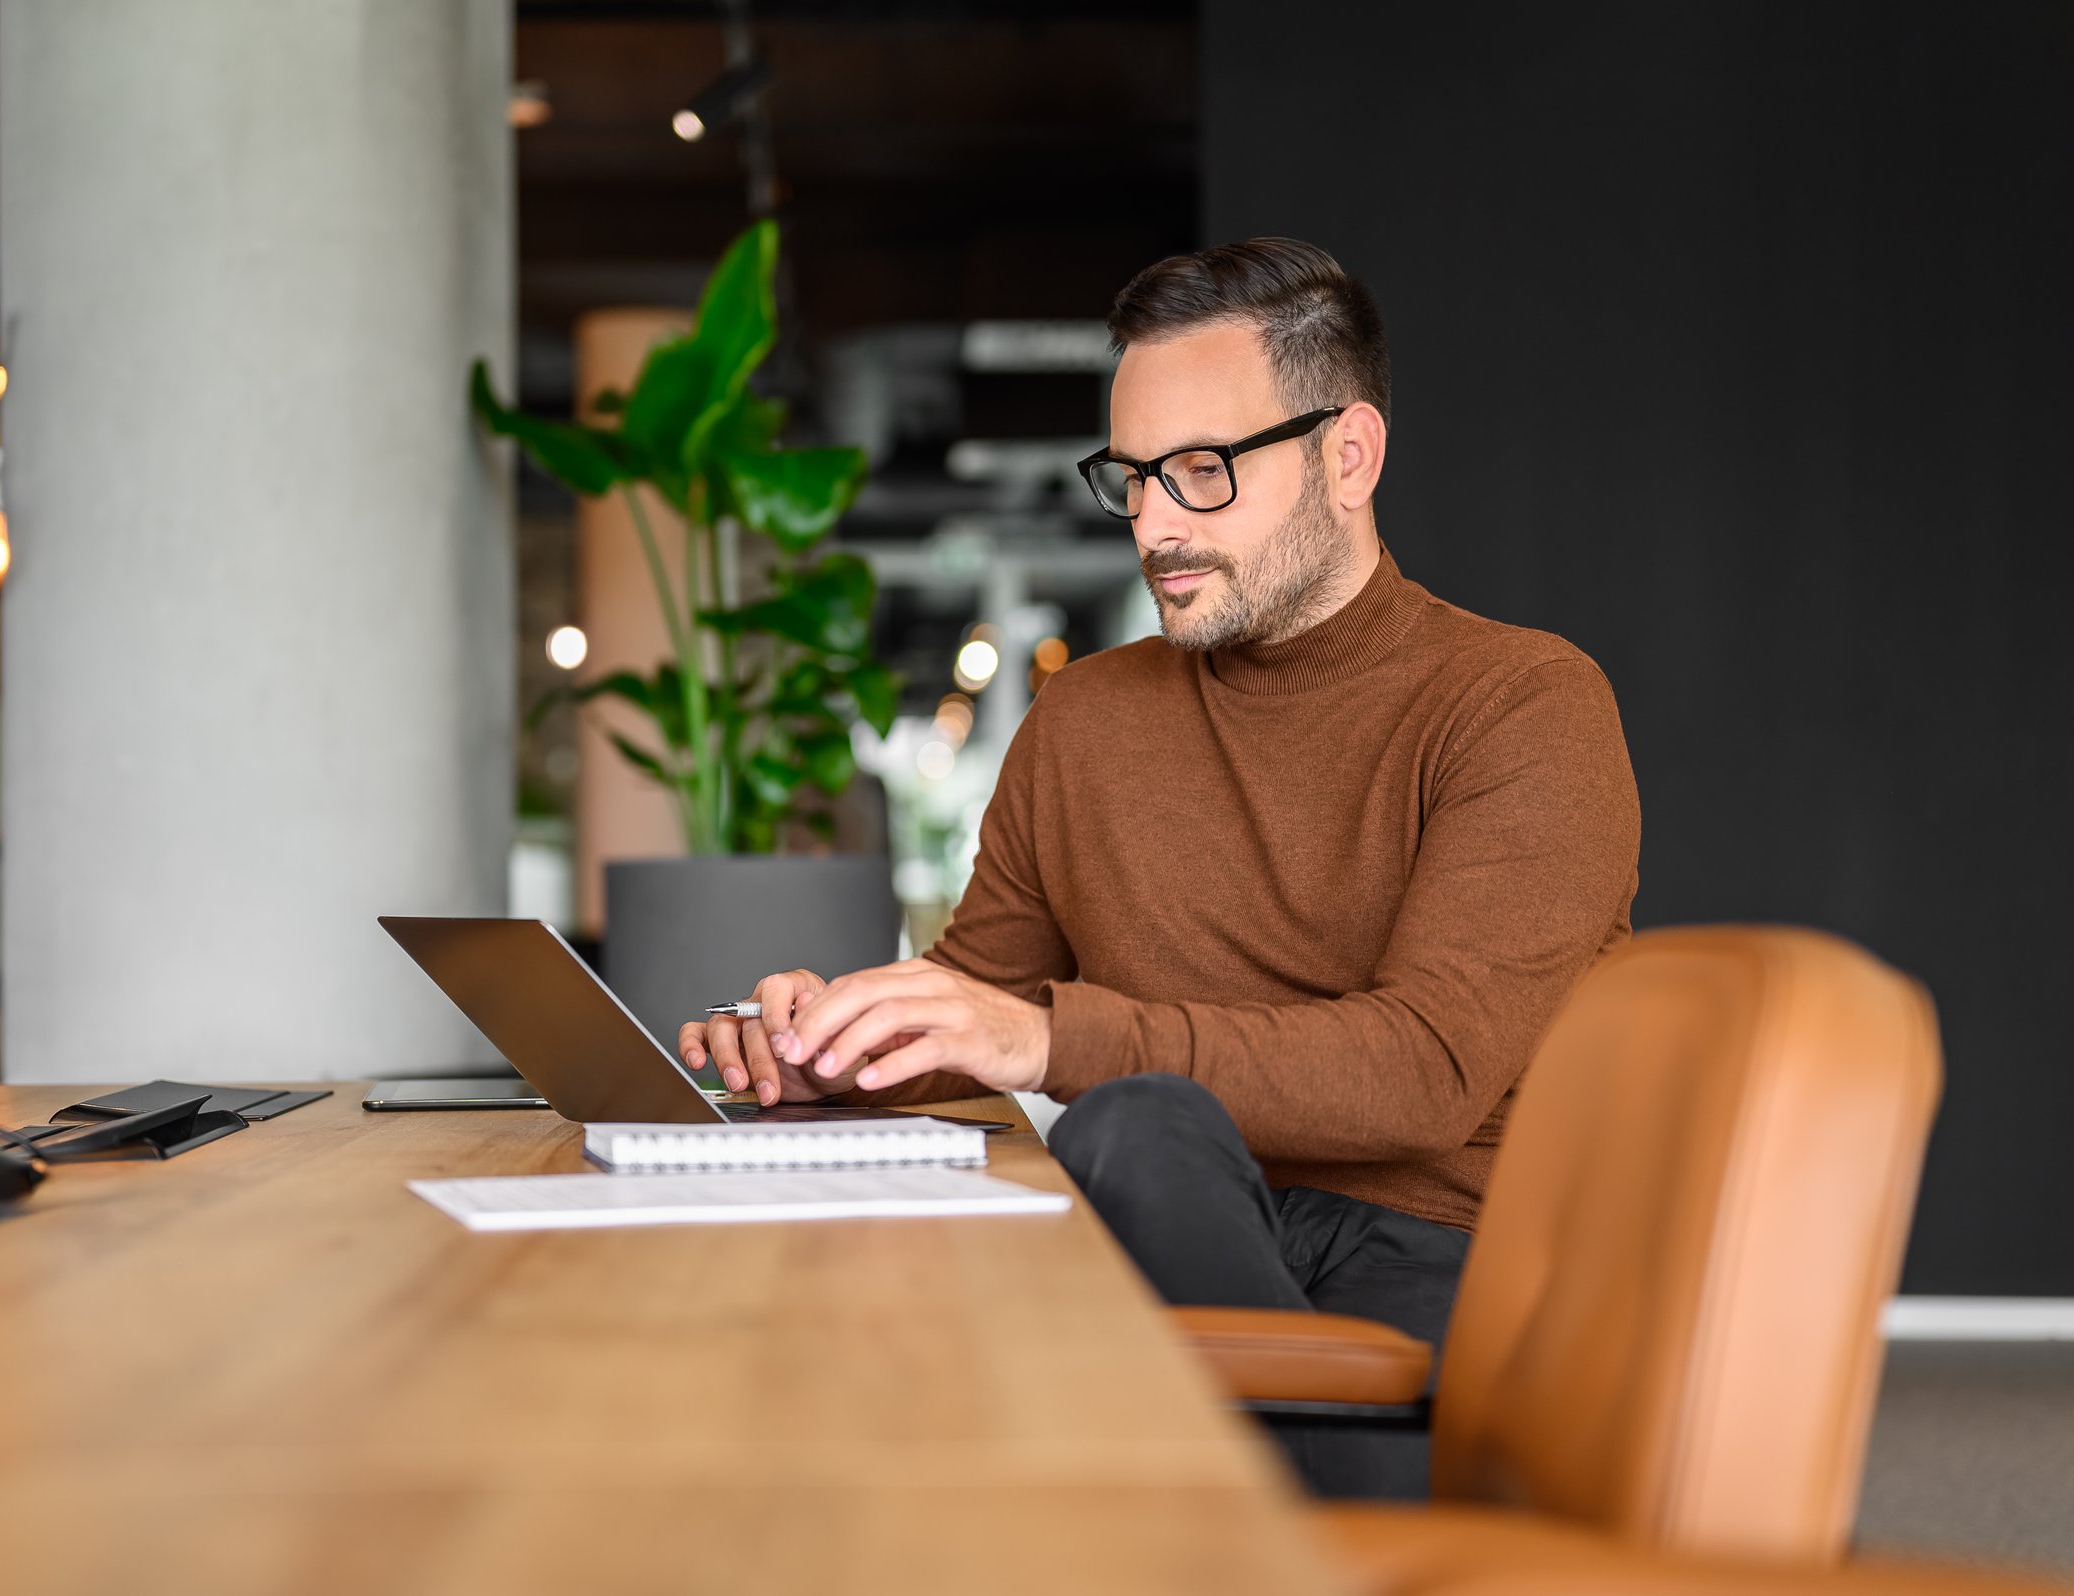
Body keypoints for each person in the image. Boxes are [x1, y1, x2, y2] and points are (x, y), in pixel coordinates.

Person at [677, 238, 1641, 1498]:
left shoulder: (1520, 703)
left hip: (1430, 1258)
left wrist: (1041, 1041)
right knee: (1119, 1153)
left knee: (1132, 1119)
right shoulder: (1084, 723)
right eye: (1131, 478)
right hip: (1166, 1217)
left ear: (1347, 455)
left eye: (1200, 472)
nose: (1153, 525)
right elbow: (985, 1006)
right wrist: (844, 1052)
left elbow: (1427, 1074)